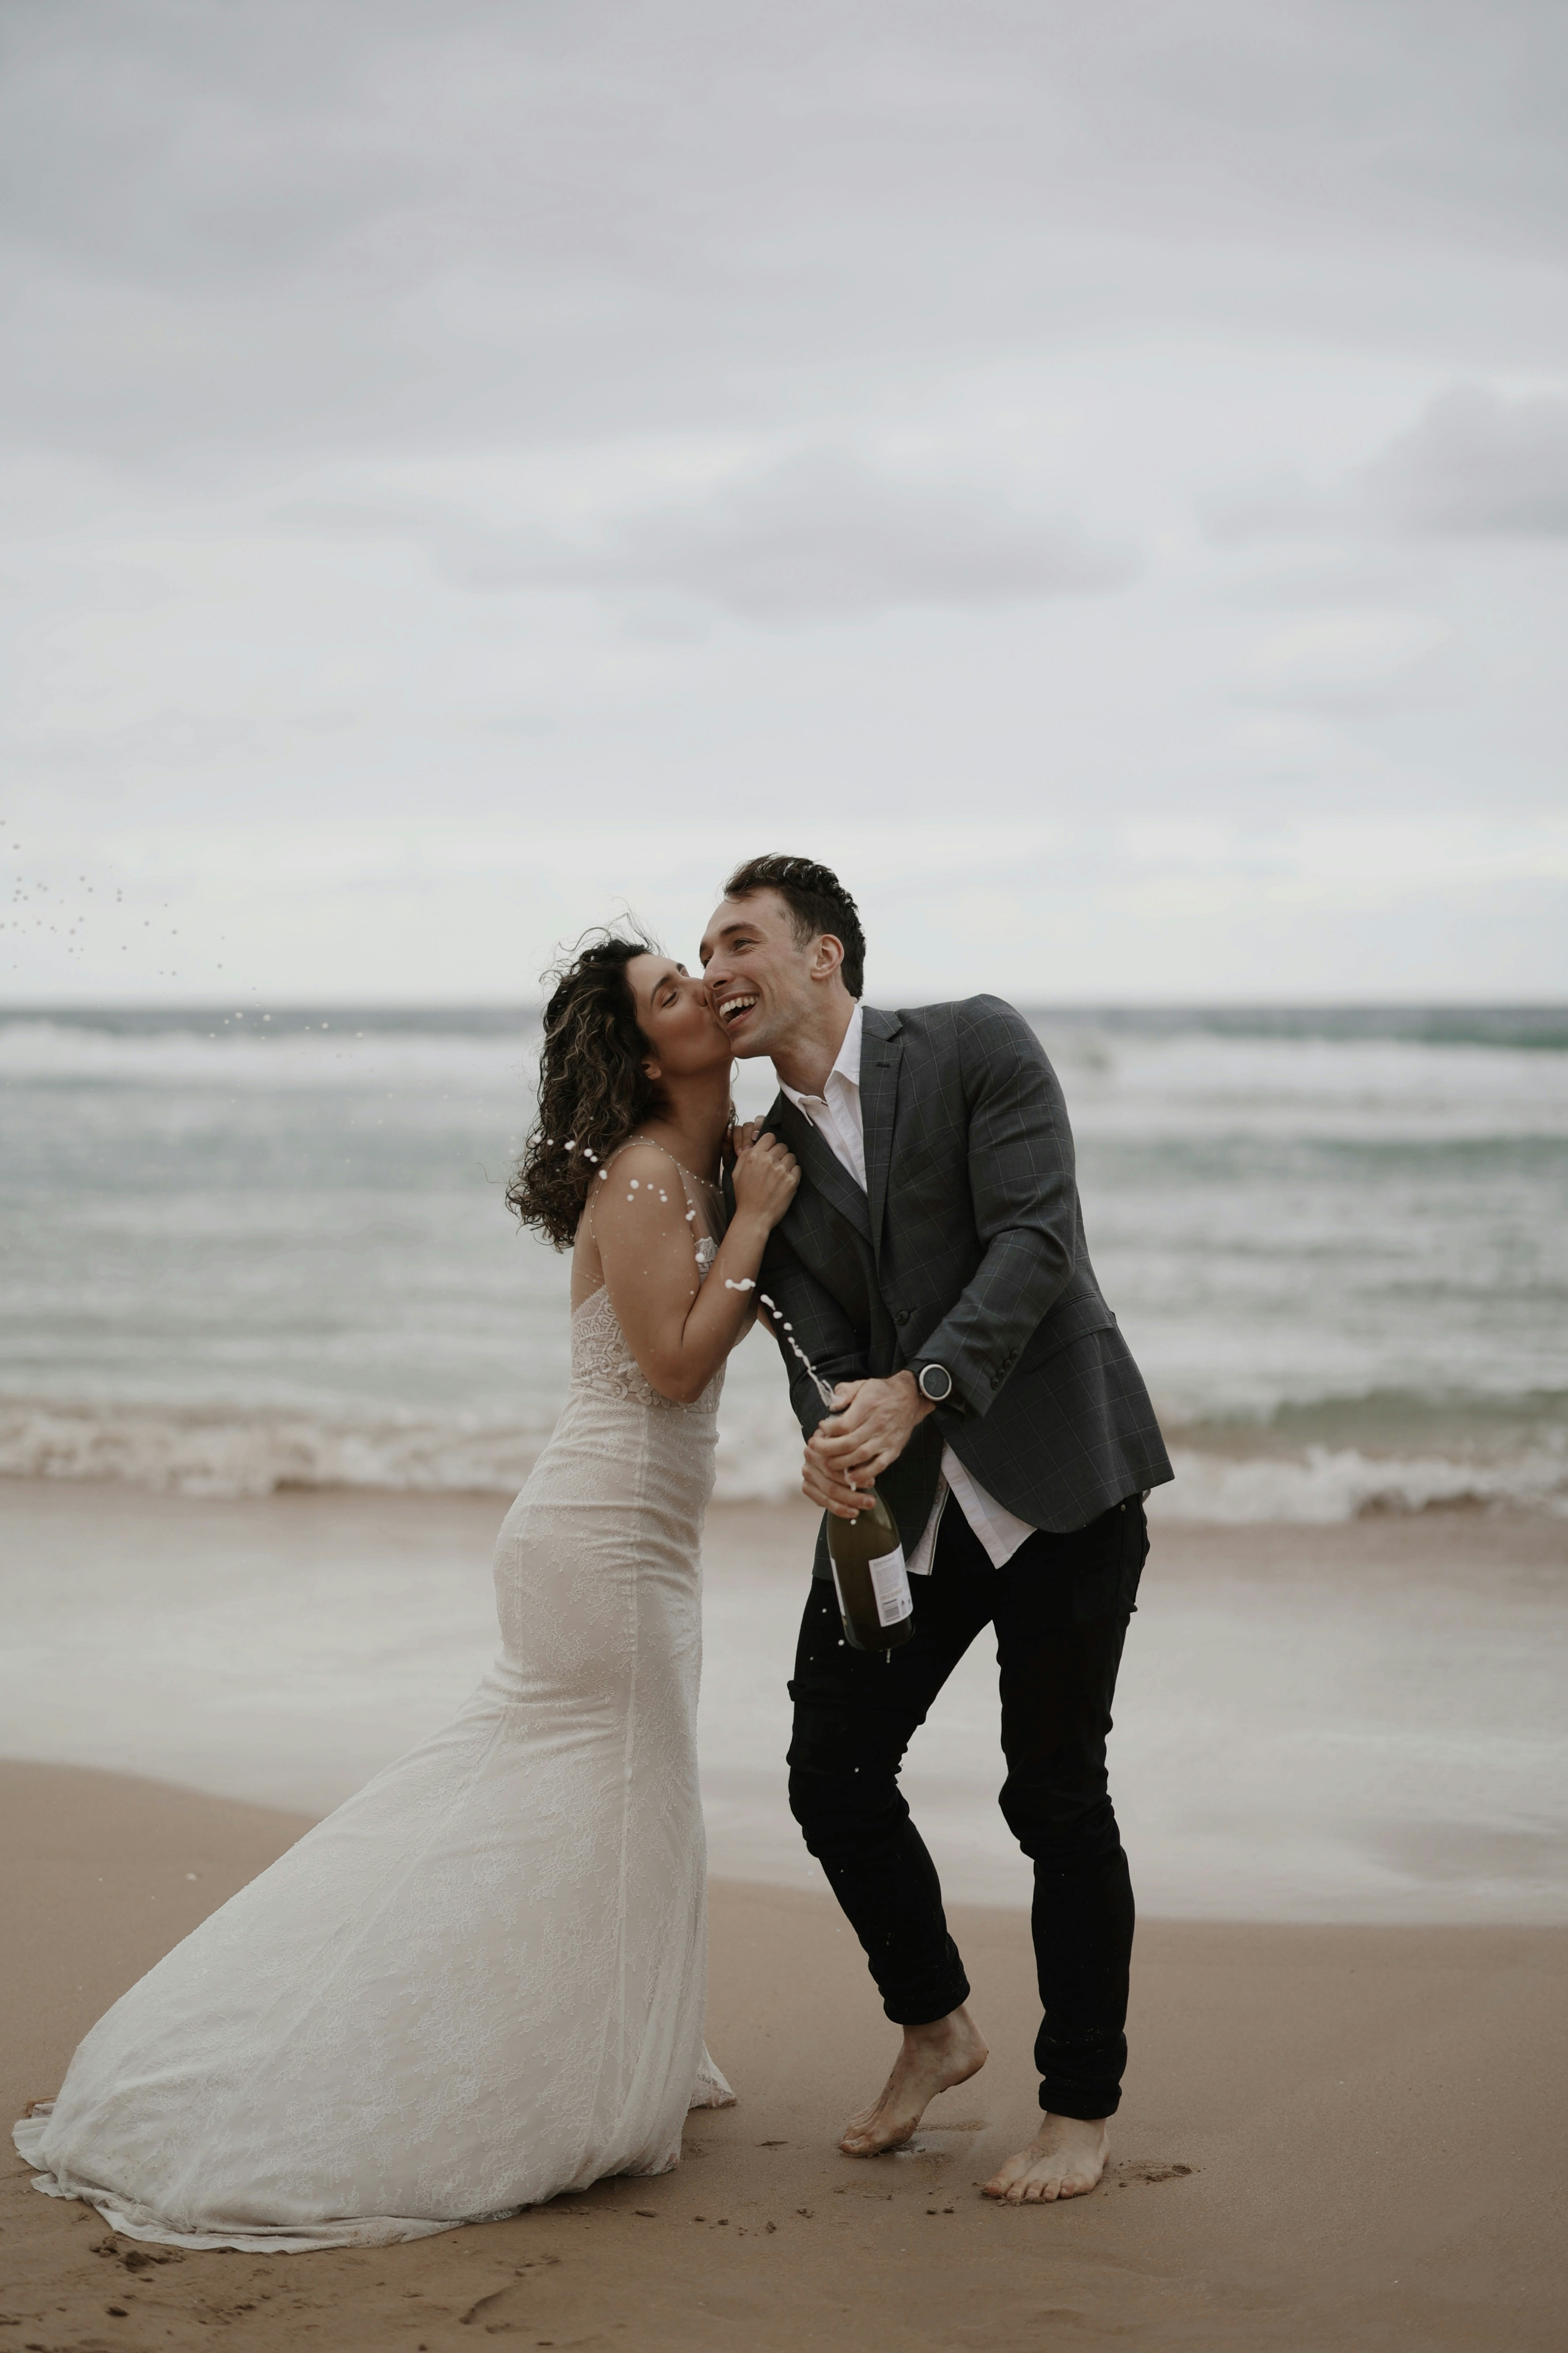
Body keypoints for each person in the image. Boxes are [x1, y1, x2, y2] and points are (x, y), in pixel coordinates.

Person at [14, 932, 799, 2250]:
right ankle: (502, 2071)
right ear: (637, 1047)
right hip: (600, 1541)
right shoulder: (653, 1175)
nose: (696, 994)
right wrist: (764, 1223)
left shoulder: (698, 1166)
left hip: (625, 1539)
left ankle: (604, 2045)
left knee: (615, 1806)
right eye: (668, 991)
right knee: (594, 1793)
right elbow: (670, 1366)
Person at [700, 856, 1172, 2206]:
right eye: (703, 947)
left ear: (825, 956)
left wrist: (913, 1393)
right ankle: (935, 2025)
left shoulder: (974, 1042)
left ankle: (1079, 2105)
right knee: (830, 1770)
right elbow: (811, 1341)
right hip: (899, 1503)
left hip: (1062, 1480)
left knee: (1052, 1793)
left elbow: (1035, 1241)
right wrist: (832, 1428)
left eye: (741, 939)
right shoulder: (766, 1161)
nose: (717, 967)